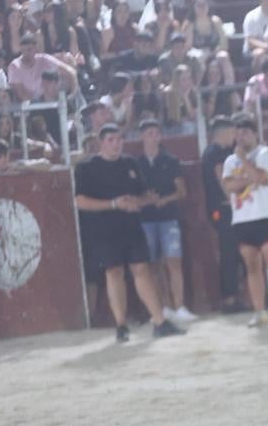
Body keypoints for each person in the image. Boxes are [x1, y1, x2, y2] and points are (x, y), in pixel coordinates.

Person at [74, 125, 186, 342]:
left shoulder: (130, 163)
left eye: (119, 139)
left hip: (132, 226)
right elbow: (80, 202)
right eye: (111, 140)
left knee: (142, 270)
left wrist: (142, 201)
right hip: (105, 229)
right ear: (101, 142)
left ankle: (159, 321)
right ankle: (121, 325)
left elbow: (144, 195)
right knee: (114, 273)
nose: (116, 144)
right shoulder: (87, 167)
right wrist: (115, 204)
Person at [223, 114, 268, 327]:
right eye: (237, 134)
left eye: (245, 133)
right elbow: (228, 187)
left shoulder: (265, 153)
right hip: (242, 219)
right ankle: (260, 311)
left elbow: (261, 179)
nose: (240, 138)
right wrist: (248, 176)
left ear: (255, 134)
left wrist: (245, 166)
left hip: (264, 215)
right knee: (252, 267)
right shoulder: (230, 160)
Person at [136, 118, 195, 324]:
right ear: (142, 136)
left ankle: (178, 306)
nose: (153, 138)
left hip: (168, 217)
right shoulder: (137, 164)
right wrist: (147, 200)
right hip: (147, 219)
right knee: (153, 266)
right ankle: (164, 306)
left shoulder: (170, 160)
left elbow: (181, 191)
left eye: (156, 133)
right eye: (149, 134)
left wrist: (163, 200)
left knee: (173, 262)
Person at [200, 115, 244, 313]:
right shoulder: (216, 152)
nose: (235, 136)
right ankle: (229, 299)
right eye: (232, 132)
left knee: (232, 252)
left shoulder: (217, 151)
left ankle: (232, 297)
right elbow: (222, 178)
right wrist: (235, 201)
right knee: (229, 252)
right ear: (224, 132)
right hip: (224, 208)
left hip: (224, 207)